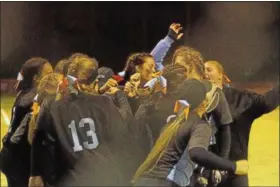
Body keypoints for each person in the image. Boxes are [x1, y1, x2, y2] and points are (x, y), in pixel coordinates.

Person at [29, 56, 133, 186]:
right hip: (103, 176)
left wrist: (35, 174)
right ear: (95, 81)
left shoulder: (52, 105)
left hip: (69, 179)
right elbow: (121, 138)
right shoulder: (104, 102)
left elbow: (38, 140)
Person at [132, 79, 249, 187]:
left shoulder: (173, 121)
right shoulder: (200, 126)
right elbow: (197, 153)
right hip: (167, 182)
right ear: (205, 102)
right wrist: (234, 166)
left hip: (144, 180)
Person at [204, 60, 279, 187]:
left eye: (209, 69)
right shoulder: (194, 101)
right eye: (202, 71)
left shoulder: (240, 99)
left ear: (221, 75)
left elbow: (267, 102)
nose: (204, 73)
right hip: (204, 174)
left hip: (236, 172)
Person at [0, 57, 53, 187]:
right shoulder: (33, 97)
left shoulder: (24, 92)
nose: (52, 76)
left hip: (10, 154)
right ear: (36, 78)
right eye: (49, 73)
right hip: (19, 158)